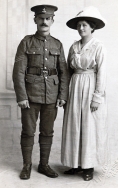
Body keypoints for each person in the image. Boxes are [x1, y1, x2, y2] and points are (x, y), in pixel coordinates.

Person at [13, 4, 69, 180]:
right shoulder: (26, 42)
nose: (44, 21)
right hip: (30, 96)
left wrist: (62, 95)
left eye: (47, 19)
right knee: (28, 131)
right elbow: (19, 71)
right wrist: (21, 96)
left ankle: (43, 165)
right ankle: (27, 165)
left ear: (52, 21)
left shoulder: (57, 44)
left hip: (51, 96)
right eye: (41, 18)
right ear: (35, 20)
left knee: (47, 132)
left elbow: (63, 72)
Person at [61, 6, 107, 181]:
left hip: (90, 85)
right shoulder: (73, 46)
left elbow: (102, 73)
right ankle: (75, 164)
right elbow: (67, 71)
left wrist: (97, 97)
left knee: (88, 126)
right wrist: (65, 94)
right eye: (79, 25)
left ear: (92, 27)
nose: (81, 28)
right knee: (74, 125)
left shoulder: (98, 47)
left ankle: (88, 166)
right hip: (75, 87)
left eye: (85, 25)